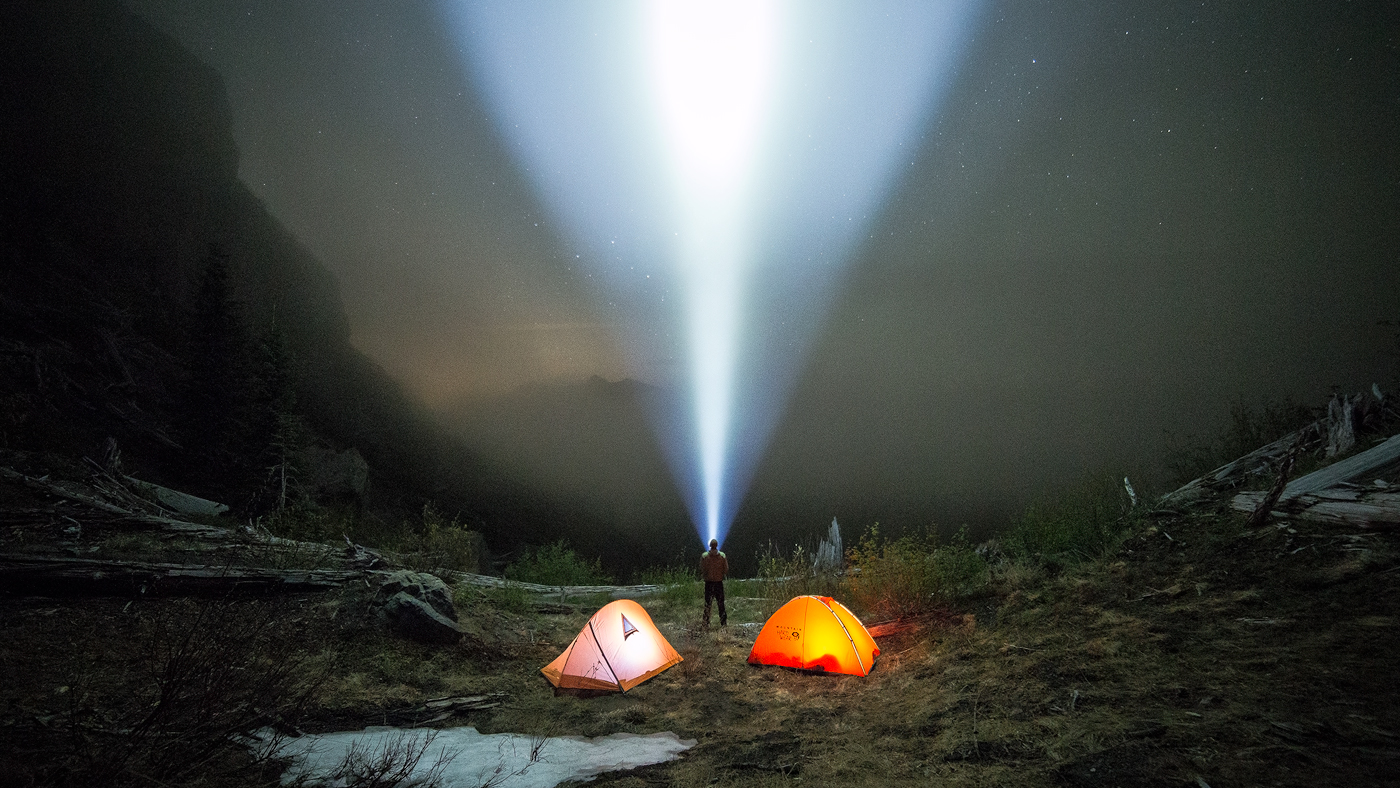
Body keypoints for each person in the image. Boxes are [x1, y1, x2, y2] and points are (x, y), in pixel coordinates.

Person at [700, 538, 728, 627]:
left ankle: (706, 623)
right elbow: (726, 569)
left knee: (708, 604)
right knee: (721, 604)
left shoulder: (704, 556)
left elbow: (702, 568)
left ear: (710, 545)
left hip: (708, 583)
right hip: (719, 583)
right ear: (717, 545)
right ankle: (723, 623)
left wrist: (706, 575)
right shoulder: (722, 556)